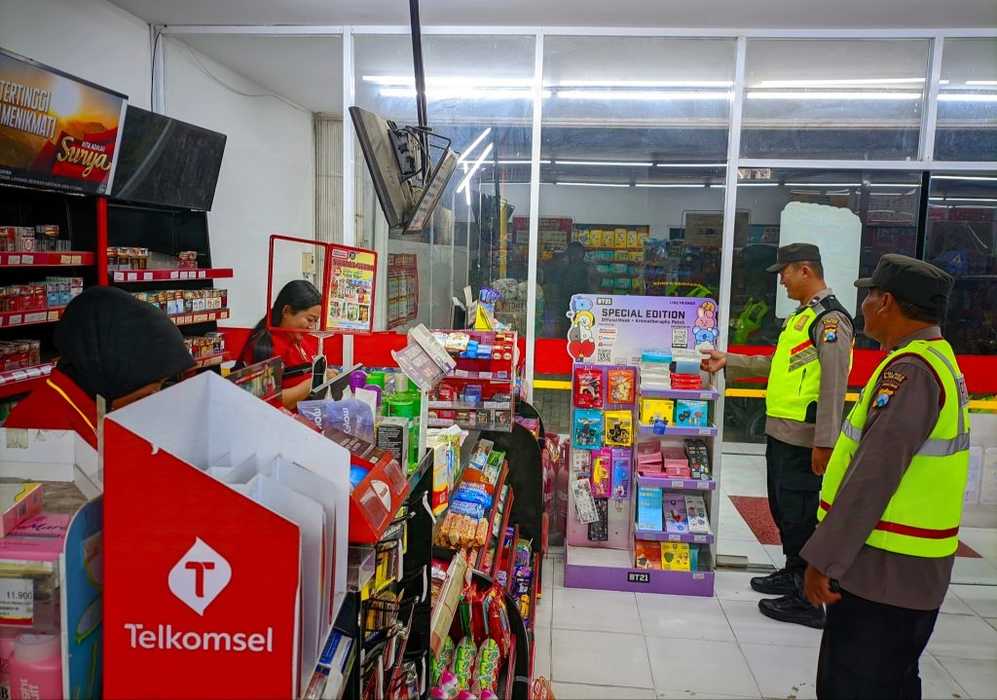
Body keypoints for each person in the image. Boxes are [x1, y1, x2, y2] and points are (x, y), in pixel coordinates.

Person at [802, 255, 969, 700]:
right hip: (906, 572)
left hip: (884, 573)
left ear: (887, 302)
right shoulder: (936, 358)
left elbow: (871, 478)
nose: (864, 305)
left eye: (869, 295)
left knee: (853, 685)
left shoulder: (910, 372)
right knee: (894, 682)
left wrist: (823, 559)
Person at [701, 243, 852, 628]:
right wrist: (730, 361)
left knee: (800, 513)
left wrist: (825, 441)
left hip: (804, 437)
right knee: (784, 508)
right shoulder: (802, 318)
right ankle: (792, 571)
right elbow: (777, 365)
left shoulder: (831, 321)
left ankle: (807, 598)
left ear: (805, 270)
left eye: (784, 272)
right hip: (782, 431)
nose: (781, 280)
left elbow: (834, 386)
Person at [5, 286, 194, 448]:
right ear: (113, 368)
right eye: (143, 396)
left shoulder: (94, 400)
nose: (152, 401)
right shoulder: (38, 428)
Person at [239, 280, 323, 410]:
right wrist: (314, 382)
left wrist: (325, 374)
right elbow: (266, 403)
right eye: (309, 319)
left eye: (315, 321)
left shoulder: (298, 339)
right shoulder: (265, 346)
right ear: (286, 311)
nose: (311, 327)